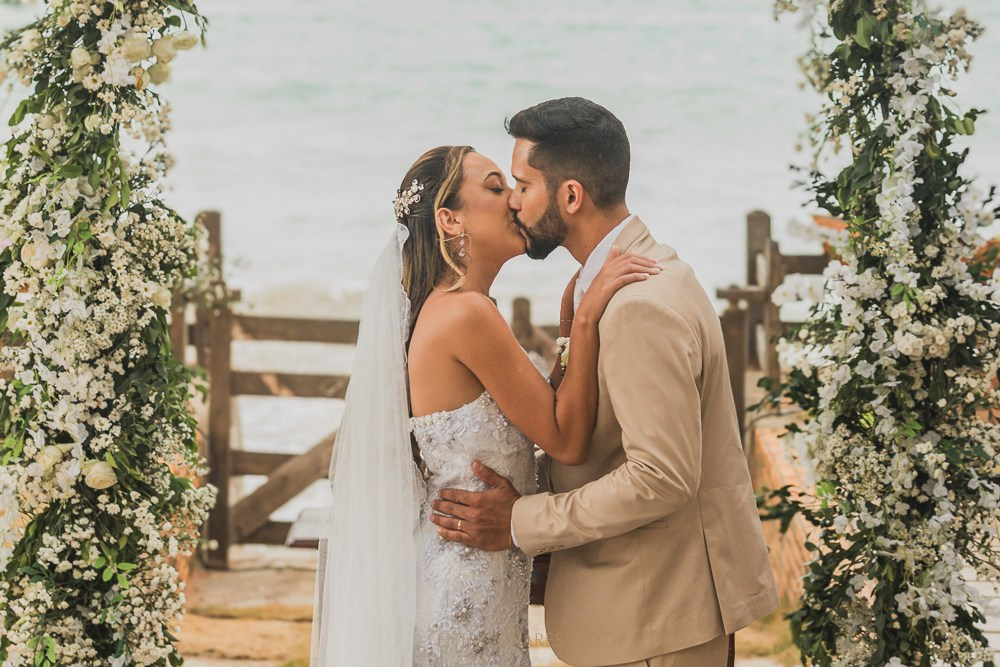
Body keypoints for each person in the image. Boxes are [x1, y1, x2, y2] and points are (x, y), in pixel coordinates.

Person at [430, 98, 780, 667]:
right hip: (648, 616)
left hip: (656, 624)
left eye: (523, 185)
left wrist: (520, 521)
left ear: (570, 196)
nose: (513, 201)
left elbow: (662, 478)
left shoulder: (639, 305)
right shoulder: (634, 276)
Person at [310, 144, 658, 666]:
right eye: (497, 188)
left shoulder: (449, 308)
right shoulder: (467, 314)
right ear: (450, 220)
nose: (516, 200)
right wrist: (587, 320)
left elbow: (541, 411)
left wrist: (569, 321)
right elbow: (566, 439)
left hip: (468, 575)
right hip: (463, 597)